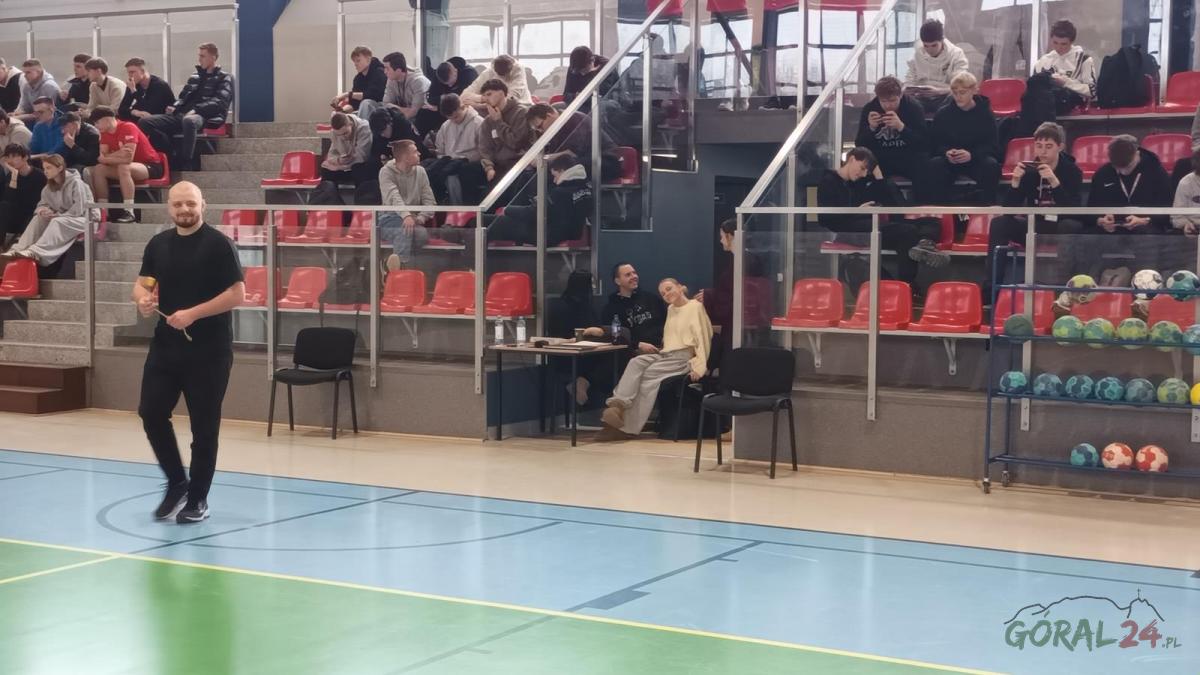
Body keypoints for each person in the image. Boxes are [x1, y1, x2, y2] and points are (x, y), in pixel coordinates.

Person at [134, 181, 244, 524]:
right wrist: (143, 299)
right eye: (178, 204)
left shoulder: (219, 244)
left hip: (209, 351)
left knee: (204, 427)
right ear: (169, 207)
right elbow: (143, 283)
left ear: (202, 205)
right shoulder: (158, 244)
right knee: (151, 412)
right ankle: (177, 482)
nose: (185, 210)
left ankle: (198, 499)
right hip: (166, 347)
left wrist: (193, 313)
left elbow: (237, 294)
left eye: (191, 204)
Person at [599, 278, 713, 440]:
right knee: (636, 362)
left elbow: (703, 338)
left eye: (669, 289)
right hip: (665, 354)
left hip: (682, 358)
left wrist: (699, 366)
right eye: (663, 293)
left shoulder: (695, 307)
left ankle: (626, 428)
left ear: (681, 287)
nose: (666, 294)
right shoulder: (671, 309)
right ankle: (617, 406)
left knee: (648, 377)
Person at [817, 148, 948, 287]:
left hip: (868, 224)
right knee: (907, 232)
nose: (863, 174)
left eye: (867, 171)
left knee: (930, 223)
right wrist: (858, 211)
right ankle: (908, 284)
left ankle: (925, 244)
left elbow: (893, 202)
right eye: (862, 168)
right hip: (849, 230)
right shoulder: (828, 181)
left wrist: (878, 176)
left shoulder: (859, 183)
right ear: (852, 159)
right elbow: (825, 219)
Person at [984, 122, 1084, 306]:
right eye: (1039, 146)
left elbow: (1074, 211)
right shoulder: (1029, 171)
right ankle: (990, 291)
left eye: (1048, 146)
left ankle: (1063, 293)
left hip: (1060, 225)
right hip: (1034, 224)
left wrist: (1054, 182)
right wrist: (1015, 182)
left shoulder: (1072, 171)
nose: (1043, 151)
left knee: (1071, 226)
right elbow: (1009, 210)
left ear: (1060, 147)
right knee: (999, 224)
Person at [1086, 134, 1172, 293]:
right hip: (1111, 230)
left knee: (1148, 239)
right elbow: (1090, 209)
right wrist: (1101, 220)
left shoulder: (1156, 172)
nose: (1123, 171)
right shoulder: (1103, 173)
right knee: (1086, 238)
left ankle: (1145, 290)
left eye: (1128, 166)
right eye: (1118, 168)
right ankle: (1087, 287)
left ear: (1137, 153)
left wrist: (1145, 219)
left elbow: (1168, 211)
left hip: (1146, 228)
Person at [575, 262, 667, 409]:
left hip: (659, 348)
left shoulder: (651, 299)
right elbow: (614, 335)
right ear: (618, 281)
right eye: (628, 274)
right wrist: (637, 345)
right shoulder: (611, 308)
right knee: (615, 354)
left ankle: (587, 381)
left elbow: (668, 321)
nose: (634, 276)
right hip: (631, 350)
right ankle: (615, 405)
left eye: (634, 273)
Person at [138, 43, 234, 170]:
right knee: (145, 122)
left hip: (205, 116)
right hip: (183, 114)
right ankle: (170, 154)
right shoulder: (195, 76)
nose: (199, 59)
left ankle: (186, 162)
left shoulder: (224, 77)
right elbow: (182, 97)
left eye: (203, 56)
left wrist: (196, 110)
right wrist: (174, 106)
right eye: (199, 56)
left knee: (189, 121)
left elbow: (220, 102)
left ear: (213, 57)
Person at [2, 153, 98, 266]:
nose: (45, 171)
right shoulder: (48, 187)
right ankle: (17, 249)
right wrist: (43, 211)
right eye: (44, 168)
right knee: (38, 218)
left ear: (60, 168)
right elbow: (42, 204)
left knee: (57, 221)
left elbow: (78, 209)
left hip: (86, 218)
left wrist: (58, 215)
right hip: (65, 217)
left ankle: (35, 252)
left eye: (49, 168)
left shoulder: (76, 183)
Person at [854, 76, 932, 203]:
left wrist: (901, 127)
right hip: (881, 158)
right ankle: (863, 209)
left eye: (892, 100)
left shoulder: (913, 107)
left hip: (908, 156)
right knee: (859, 169)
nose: (888, 105)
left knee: (925, 167)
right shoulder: (870, 108)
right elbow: (859, 145)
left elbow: (924, 143)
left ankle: (921, 209)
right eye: (883, 101)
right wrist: (871, 128)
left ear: (900, 95)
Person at [928, 72, 1001, 205]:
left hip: (976, 159)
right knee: (935, 165)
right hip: (951, 160)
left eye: (962, 92)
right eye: (955, 93)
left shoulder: (985, 114)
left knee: (991, 166)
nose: (958, 97)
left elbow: (992, 145)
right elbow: (935, 143)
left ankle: (986, 209)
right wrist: (946, 152)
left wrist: (972, 155)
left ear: (974, 91)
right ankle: (941, 211)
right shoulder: (943, 113)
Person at [485, 154, 591, 246]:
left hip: (550, 235)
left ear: (562, 171)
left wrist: (507, 210)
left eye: (555, 175)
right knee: (491, 219)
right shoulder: (585, 189)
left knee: (499, 222)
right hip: (569, 232)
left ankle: (479, 256)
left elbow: (534, 213)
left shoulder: (560, 192)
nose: (554, 180)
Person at [91, 106, 167, 223]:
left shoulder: (128, 127)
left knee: (123, 166)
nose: (96, 126)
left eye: (97, 122)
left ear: (107, 119)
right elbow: (102, 158)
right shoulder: (104, 133)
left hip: (150, 165)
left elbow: (127, 158)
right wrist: (117, 154)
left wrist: (107, 158)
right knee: (99, 169)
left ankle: (129, 211)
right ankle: (104, 212)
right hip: (126, 166)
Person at [378, 139, 436, 272]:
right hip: (388, 218)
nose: (419, 153)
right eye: (415, 152)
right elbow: (394, 197)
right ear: (405, 157)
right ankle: (399, 271)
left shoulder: (421, 172)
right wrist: (406, 216)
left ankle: (388, 266)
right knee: (404, 231)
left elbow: (429, 200)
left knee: (421, 235)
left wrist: (420, 218)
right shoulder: (386, 172)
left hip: (412, 220)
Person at [526, 103, 619, 182]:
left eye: (540, 126)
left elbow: (573, 153)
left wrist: (544, 158)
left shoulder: (575, 118)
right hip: (584, 161)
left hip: (604, 160)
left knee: (553, 173)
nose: (541, 131)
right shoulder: (555, 129)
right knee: (533, 174)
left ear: (549, 116)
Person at [423, 93, 486, 204]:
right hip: (449, 161)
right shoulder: (446, 126)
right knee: (428, 169)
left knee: (451, 174)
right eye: (450, 118)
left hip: (471, 163)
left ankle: (458, 208)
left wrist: (459, 158)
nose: (454, 120)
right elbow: (440, 150)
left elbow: (484, 151)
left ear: (463, 107)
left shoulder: (479, 123)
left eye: (456, 116)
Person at [904, 19, 969, 113]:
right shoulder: (918, 53)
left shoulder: (956, 54)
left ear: (942, 40)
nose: (930, 50)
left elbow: (961, 86)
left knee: (953, 101)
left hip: (945, 97)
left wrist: (939, 91)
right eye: (926, 46)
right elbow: (910, 78)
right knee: (903, 101)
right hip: (921, 97)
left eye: (934, 45)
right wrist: (908, 89)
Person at [1032, 20, 1096, 112]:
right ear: (1051, 39)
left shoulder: (1084, 59)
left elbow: (1092, 92)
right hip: (1045, 107)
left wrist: (1066, 83)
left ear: (1071, 42)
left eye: (1063, 44)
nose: (1058, 47)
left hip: (1073, 107)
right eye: (1055, 42)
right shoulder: (1043, 61)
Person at [477, 79, 531, 185]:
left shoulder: (521, 112)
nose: (486, 99)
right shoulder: (488, 121)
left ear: (501, 93)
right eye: (484, 96)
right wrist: (489, 167)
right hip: (498, 165)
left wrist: (498, 122)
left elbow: (516, 143)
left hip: (519, 163)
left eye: (489, 94)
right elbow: (485, 148)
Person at [359, 52, 429, 129]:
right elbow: (386, 104)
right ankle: (364, 132)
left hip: (416, 120)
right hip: (398, 115)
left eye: (387, 68)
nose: (384, 71)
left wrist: (394, 108)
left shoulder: (418, 81)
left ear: (398, 70)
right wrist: (399, 109)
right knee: (367, 104)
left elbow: (414, 112)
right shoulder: (391, 79)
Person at [416, 56, 479, 135]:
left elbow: (463, 97)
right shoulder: (439, 74)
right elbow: (431, 98)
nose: (449, 86)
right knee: (423, 113)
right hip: (443, 108)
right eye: (446, 84)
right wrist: (443, 99)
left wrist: (439, 106)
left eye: (451, 83)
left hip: (463, 107)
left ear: (455, 72)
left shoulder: (469, 74)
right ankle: (418, 139)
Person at [0, 144, 46, 246]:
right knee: (3, 206)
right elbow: (8, 200)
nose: (10, 160)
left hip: (32, 216)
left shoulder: (40, 175)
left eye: (14, 156)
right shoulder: (11, 175)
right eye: (8, 157)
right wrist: (14, 176)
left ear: (25, 157)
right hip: (15, 217)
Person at [322, 112, 373, 187]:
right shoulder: (334, 132)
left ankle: (361, 194)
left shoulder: (363, 127)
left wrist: (339, 167)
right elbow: (331, 155)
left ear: (351, 124)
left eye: (345, 133)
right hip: (345, 165)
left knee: (359, 169)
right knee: (326, 170)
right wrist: (338, 160)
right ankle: (330, 194)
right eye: (339, 135)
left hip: (360, 165)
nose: (343, 137)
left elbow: (362, 157)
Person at [332, 46, 387, 114]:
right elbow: (354, 104)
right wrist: (342, 111)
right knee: (338, 114)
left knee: (366, 103)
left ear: (368, 59)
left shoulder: (380, 72)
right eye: (354, 61)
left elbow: (372, 95)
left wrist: (347, 94)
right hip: (364, 110)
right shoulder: (357, 79)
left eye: (358, 60)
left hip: (382, 108)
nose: (355, 64)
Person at [118, 58, 175, 122]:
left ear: (142, 71)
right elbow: (121, 110)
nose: (130, 75)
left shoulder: (159, 85)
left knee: (143, 120)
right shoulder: (134, 84)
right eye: (128, 73)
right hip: (142, 119)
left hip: (159, 120)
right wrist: (134, 112)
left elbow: (149, 111)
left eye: (132, 72)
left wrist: (134, 91)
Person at [461, 55, 532, 106]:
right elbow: (464, 96)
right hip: (492, 108)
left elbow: (512, 98)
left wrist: (481, 104)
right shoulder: (488, 72)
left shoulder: (518, 69)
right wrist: (483, 98)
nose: (503, 78)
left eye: (505, 74)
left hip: (521, 105)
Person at [563, 46, 616, 110]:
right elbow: (566, 95)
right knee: (557, 107)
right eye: (579, 71)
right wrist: (575, 96)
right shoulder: (575, 68)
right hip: (579, 104)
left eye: (584, 70)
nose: (582, 73)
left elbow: (604, 94)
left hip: (601, 106)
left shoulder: (606, 66)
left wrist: (592, 74)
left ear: (592, 60)